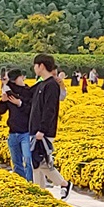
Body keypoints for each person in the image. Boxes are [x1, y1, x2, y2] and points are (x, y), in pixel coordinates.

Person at [29, 54, 74, 198]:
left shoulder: (51, 85)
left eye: (35, 65)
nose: (34, 68)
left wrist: (42, 129)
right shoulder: (42, 84)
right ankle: (40, 193)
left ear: (41, 66)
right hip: (36, 130)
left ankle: (63, 183)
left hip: (44, 132)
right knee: (35, 163)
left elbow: (50, 109)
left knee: (41, 162)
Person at [0, 69, 34, 181]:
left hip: (26, 132)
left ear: (22, 77)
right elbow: (1, 111)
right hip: (13, 132)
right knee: (16, 161)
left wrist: (19, 103)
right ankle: (21, 183)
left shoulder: (28, 91)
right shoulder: (9, 91)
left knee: (28, 160)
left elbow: (31, 109)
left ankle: (30, 183)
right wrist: (3, 101)